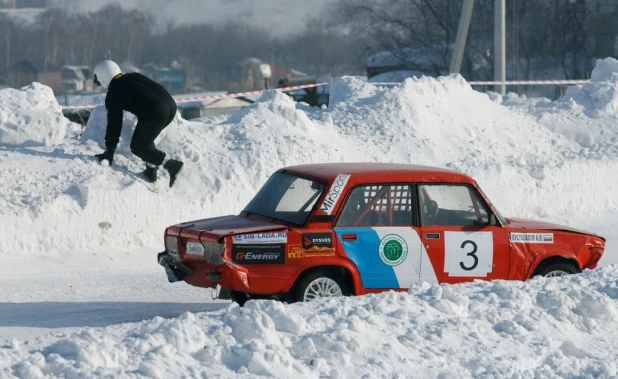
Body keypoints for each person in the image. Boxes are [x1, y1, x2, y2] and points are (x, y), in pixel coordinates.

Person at [92, 60, 184, 188]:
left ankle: (171, 164)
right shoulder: (133, 76)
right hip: (171, 107)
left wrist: (110, 150)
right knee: (146, 139)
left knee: (138, 146)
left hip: (155, 111)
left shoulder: (113, 93)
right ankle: (151, 171)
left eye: (98, 81)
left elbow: (114, 124)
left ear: (103, 77)